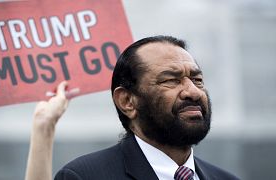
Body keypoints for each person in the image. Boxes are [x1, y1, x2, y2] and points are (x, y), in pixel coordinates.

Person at [25, 35, 240, 180]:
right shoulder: (83, 176)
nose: (193, 91)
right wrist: (44, 127)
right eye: (171, 80)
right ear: (127, 101)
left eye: (198, 79)